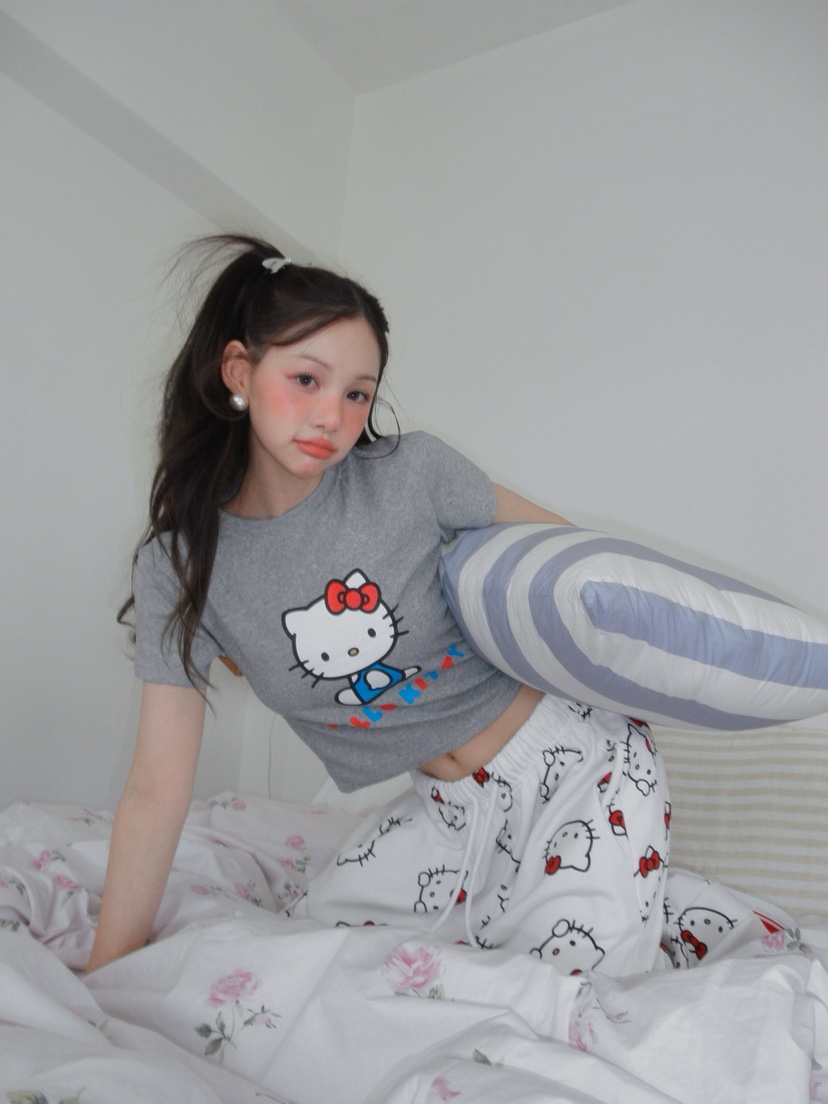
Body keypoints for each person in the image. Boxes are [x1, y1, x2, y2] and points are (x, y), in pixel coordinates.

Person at [86, 235, 670, 976]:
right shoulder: (183, 565)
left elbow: (577, 567)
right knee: (310, 974)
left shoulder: (410, 473)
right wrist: (104, 973)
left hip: (583, 774)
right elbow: (155, 790)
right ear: (239, 370)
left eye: (357, 393)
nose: (332, 416)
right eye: (306, 379)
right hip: (445, 810)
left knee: (574, 998)